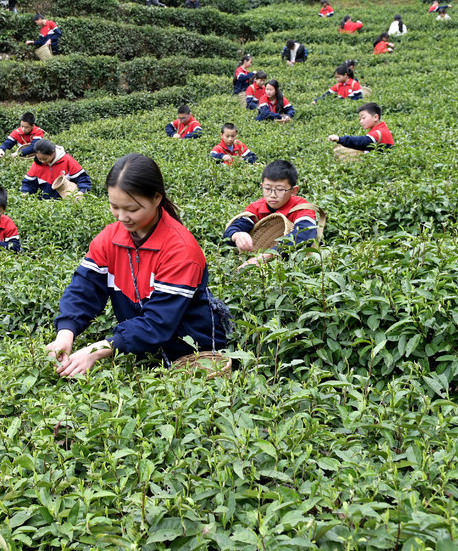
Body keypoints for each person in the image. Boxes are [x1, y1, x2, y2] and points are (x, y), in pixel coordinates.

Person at [46, 153, 229, 376]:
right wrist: (65, 332)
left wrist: (96, 350)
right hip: (141, 350)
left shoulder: (181, 249)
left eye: (132, 209)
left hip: (192, 351)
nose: (122, 217)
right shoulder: (109, 238)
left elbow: (158, 321)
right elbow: (85, 288)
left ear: (157, 198)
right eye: (114, 207)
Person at [223, 160, 318, 268]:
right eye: (267, 189)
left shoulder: (301, 207)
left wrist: (269, 255)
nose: (272, 195)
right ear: (262, 186)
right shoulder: (256, 207)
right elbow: (235, 227)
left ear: (293, 191)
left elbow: (305, 234)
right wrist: (237, 235)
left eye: (280, 190)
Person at [21, 140, 92, 199]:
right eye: (40, 159)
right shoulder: (37, 164)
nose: (42, 161)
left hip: (67, 202)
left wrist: (82, 191)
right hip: (45, 204)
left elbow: (82, 178)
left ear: (53, 152)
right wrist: (25, 193)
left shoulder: (67, 160)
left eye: (45, 159)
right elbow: (29, 183)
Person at [327, 102, 394, 152]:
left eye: (363, 118)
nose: (361, 121)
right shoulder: (382, 129)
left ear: (375, 117)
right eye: (360, 119)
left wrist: (340, 139)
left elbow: (361, 142)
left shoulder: (378, 133)